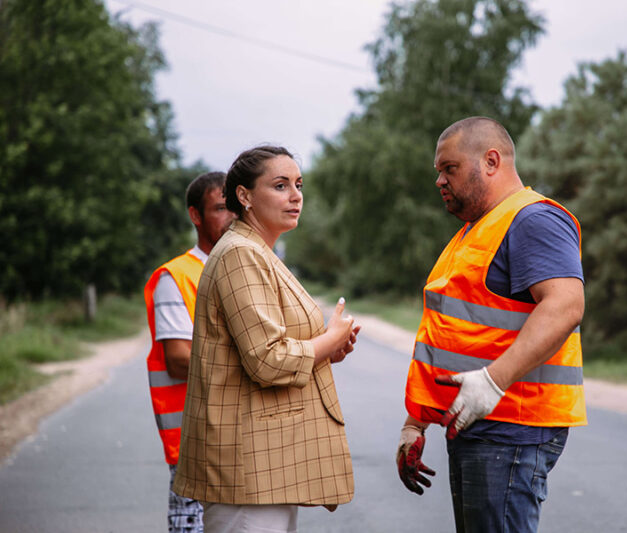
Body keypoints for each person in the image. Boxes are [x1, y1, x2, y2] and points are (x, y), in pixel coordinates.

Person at [397, 117, 587, 533]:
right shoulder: (476, 230)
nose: (440, 181)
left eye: (450, 168)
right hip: (478, 422)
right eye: (438, 172)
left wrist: (493, 382)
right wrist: (416, 422)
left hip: (512, 425)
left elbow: (566, 305)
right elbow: (450, 334)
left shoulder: (532, 220)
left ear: (491, 161)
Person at [172, 145, 360, 533]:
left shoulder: (258, 251)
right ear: (244, 196)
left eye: (298, 184)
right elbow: (268, 359)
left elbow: (266, 347)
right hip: (247, 465)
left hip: (265, 463)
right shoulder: (241, 253)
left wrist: (329, 349)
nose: (295, 196)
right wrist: (327, 341)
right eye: (280, 185)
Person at [144, 171, 234, 532]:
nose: (231, 218)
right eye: (220, 208)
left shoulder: (242, 270)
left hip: (237, 441)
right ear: (195, 215)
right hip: (195, 446)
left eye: (236, 209)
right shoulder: (175, 277)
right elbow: (179, 360)